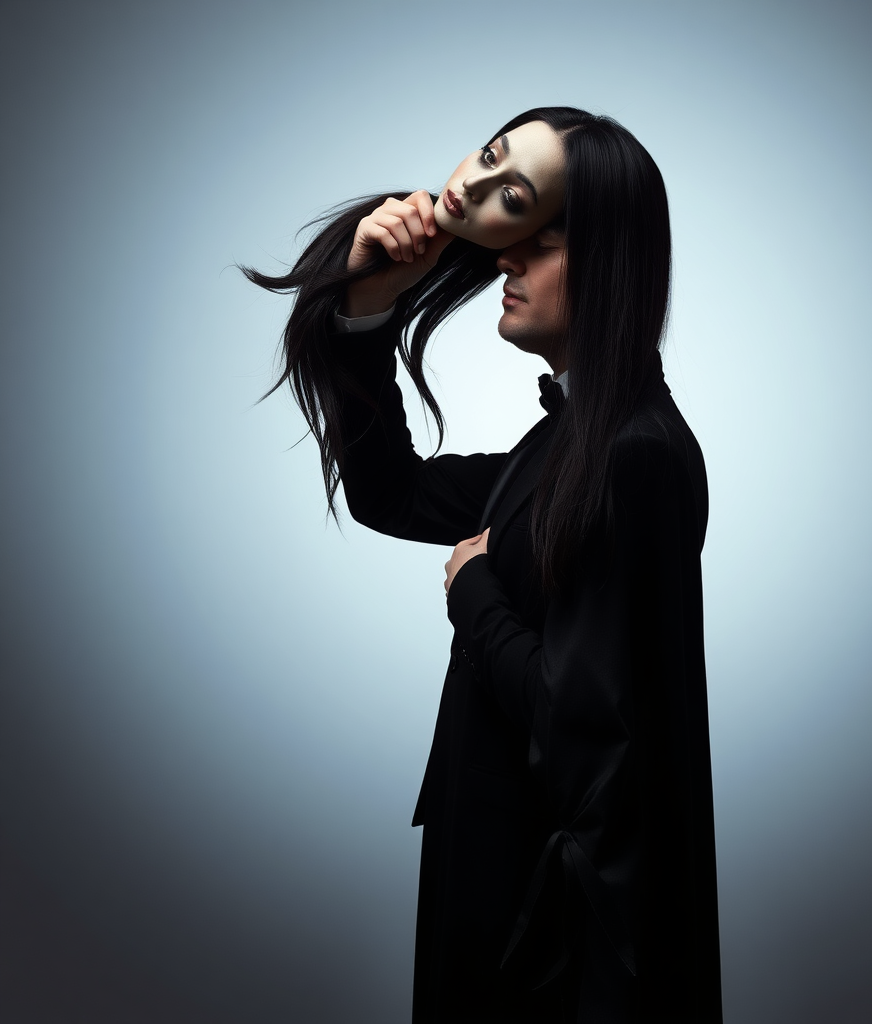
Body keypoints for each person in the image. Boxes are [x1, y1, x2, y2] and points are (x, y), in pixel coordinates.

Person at [245, 107, 722, 1023]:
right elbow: (392, 494)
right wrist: (368, 311)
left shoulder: (638, 454)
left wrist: (475, 593)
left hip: (548, 938)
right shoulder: (572, 444)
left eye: (543, 241)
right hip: (498, 880)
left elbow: (586, 733)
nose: (508, 256)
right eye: (499, 175)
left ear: (612, 262)